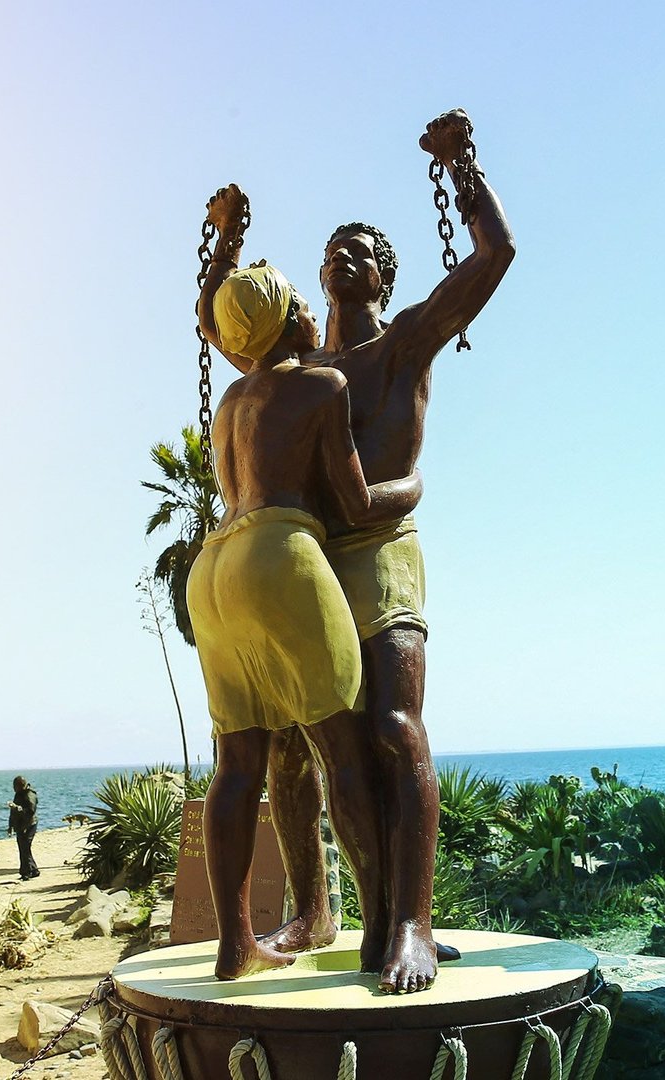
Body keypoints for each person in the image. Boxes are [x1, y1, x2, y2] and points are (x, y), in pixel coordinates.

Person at [215, 111, 514, 994]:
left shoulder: (407, 341)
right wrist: (225, 243)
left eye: (361, 248)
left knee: (390, 728)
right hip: (306, 560)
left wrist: (463, 165)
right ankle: (318, 909)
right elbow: (223, 321)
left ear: (385, 272)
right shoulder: (294, 368)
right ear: (314, 279)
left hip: (378, 552)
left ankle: (409, 924)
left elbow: (495, 256)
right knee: (288, 753)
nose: (343, 254)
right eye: (332, 248)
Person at [187, 249, 421, 981]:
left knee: (237, 764)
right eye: (303, 307)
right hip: (278, 555)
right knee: (343, 748)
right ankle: (385, 929)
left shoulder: (230, 404)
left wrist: (223, 248)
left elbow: (217, 324)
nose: (316, 316)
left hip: (212, 567)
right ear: (291, 319)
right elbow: (353, 504)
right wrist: (409, 490)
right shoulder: (322, 385)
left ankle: (237, 947)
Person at [10, 777, 40, 880]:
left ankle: (26, 872)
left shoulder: (29, 795)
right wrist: (10, 825)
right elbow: (13, 812)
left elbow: (31, 811)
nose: (14, 788)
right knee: (23, 848)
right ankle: (32, 870)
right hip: (20, 825)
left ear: (20, 786)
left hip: (29, 824)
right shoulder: (19, 794)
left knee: (25, 847)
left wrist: (18, 809)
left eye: (15, 786)